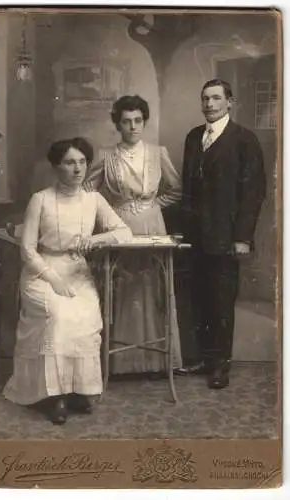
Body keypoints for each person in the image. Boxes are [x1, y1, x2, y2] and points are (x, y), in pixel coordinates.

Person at [3, 137, 132, 424]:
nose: (77, 169)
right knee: (59, 315)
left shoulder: (93, 199)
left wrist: (94, 239)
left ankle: (79, 390)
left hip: (77, 270)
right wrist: (52, 278)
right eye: (70, 163)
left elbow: (124, 232)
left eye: (82, 162)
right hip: (42, 270)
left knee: (85, 314)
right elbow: (27, 249)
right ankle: (55, 396)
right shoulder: (41, 199)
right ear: (56, 166)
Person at [83, 95, 183, 375]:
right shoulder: (105, 155)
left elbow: (175, 188)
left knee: (152, 284)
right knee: (119, 284)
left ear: (145, 122)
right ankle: (117, 363)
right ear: (118, 124)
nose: (133, 126)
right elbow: (88, 193)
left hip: (152, 224)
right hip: (118, 224)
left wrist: (152, 205)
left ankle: (155, 362)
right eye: (126, 121)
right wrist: (110, 210)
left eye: (138, 120)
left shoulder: (157, 152)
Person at [178, 79, 266, 389]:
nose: (209, 104)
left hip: (226, 237)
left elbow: (253, 193)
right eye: (205, 98)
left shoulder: (244, 140)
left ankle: (220, 367)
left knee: (221, 302)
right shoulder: (193, 138)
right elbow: (187, 190)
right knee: (199, 299)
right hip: (194, 238)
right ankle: (204, 358)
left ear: (230, 102)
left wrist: (242, 237)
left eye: (216, 98)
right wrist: (182, 232)